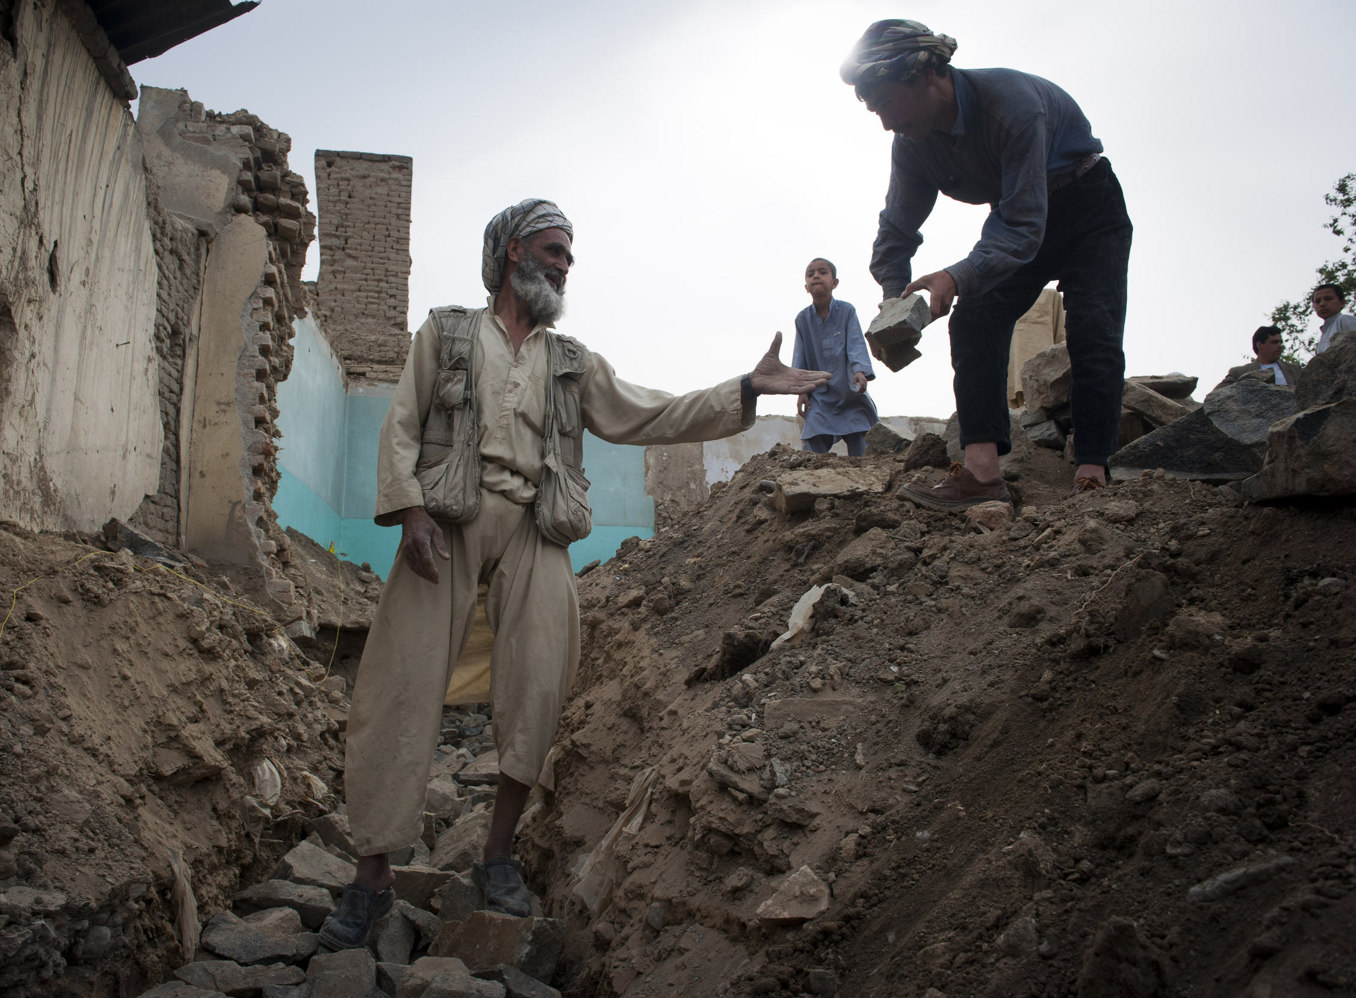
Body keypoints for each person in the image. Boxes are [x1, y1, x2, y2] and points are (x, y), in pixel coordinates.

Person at [319, 199, 830, 950]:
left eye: (568, 256)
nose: (564, 264)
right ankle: (371, 877)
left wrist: (746, 390)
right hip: (447, 522)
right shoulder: (448, 331)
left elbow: (646, 414)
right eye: (553, 250)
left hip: (536, 526)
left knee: (542, 679)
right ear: (512, 252)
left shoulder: (571, 360)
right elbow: (402, 423)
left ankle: (498, 855)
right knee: (400, 680)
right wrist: (409, 513)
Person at [841, 19, 1132, 508]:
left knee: (1094, 331)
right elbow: (895, 231)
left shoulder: (1012, 106)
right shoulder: (913, 144)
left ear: (924, 76)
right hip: (1015, 215)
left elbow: (1023, 227)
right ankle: (981, 475)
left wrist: (956, 275)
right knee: (975, 318)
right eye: (875, 111)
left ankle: (1091, 470)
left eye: (887, 103)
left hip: (1088, 207)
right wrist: (895, 301)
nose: (886, 122)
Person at [793, 257, 879, 455]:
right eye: (810, 273)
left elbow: (856, 343)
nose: (816, 276)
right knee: (812, 445)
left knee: (861, 441)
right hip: (820, 396)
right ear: (806, 286)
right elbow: (800, 356)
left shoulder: (847, 311)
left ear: (834, 282)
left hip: (850, 391)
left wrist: (859, 371)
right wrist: (802, 390)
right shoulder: (803, 319)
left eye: (822, 272)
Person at [1214, 326, 1301, 391]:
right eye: (1274, 342)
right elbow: (1216, 394)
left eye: (1280, 342)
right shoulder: (1239, 372)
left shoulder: (1295, 369)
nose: (1280, 346)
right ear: (1259, 345)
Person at [1312, 284, 1356, 354]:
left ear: (1342, 303)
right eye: (1318, 301)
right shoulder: (1323, 335)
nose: (1322, 304)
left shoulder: (1344, 320)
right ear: (1314, 306)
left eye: (1328, 299)